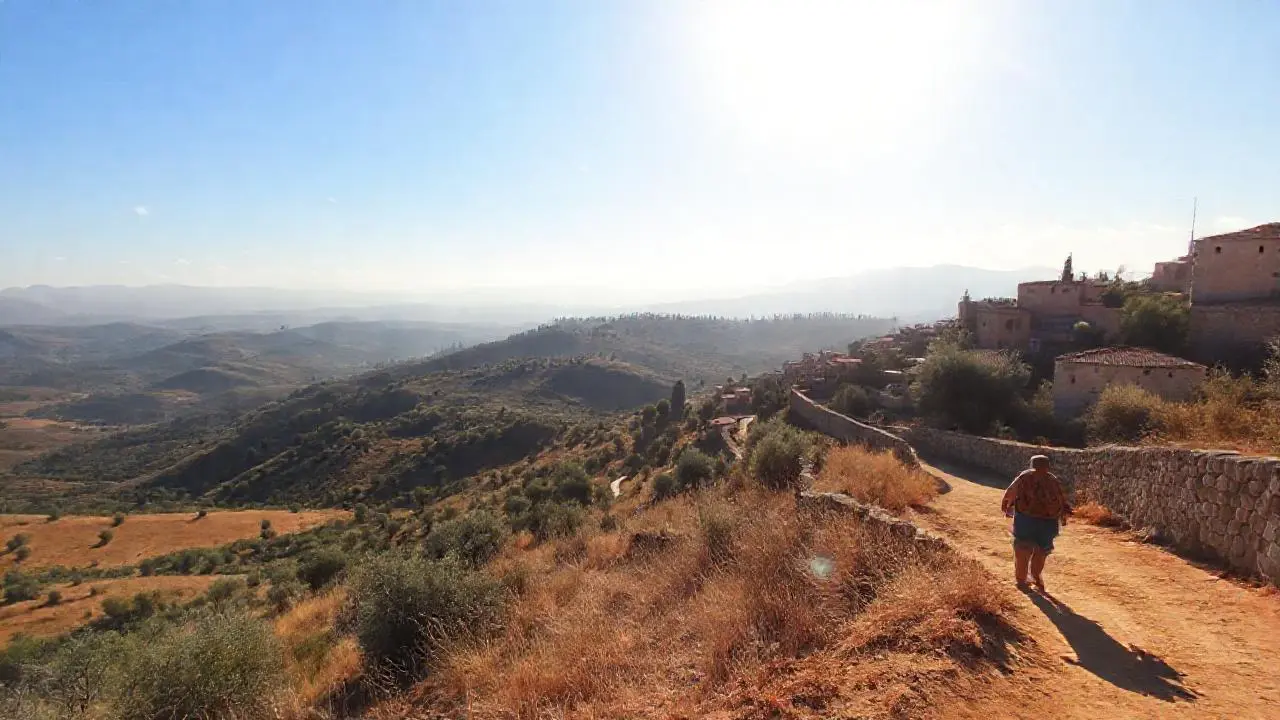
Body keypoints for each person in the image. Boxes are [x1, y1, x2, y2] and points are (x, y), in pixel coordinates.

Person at [1001, 455, 1071, 592]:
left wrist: (1005, 505)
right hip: (1048, 521)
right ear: (1048, 466)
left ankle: (1021, 580)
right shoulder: (1052, 479)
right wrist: (1063, 517)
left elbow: (1010, 492)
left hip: (1026, 519)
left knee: (1022, 548)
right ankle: (1036, 576)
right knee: (1042, 550)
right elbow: (1062, 500)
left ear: (1032, 464)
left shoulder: (1025, 476)